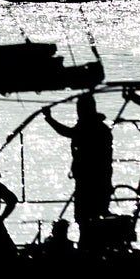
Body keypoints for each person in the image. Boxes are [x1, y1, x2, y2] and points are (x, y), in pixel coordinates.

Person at [43, 93, 114, 229]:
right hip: (97, 177)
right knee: (92, 214)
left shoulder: (90, 128)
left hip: (91, 178)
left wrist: (49, 118)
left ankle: (88, 243)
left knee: (85, 215)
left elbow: (67, 132)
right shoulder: (99, 127)